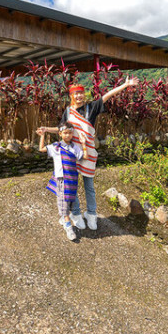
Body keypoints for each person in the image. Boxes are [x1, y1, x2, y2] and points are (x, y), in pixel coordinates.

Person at [39, 78, 138, 231]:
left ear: (83, 95)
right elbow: (61, 128)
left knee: (89, 186)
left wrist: (125, 85)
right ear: (72, 96)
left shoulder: (91, 108)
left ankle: (91, 215)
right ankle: (77, 214)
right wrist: (46, 129)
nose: (79, 96)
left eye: (81, 93)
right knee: (73, 185)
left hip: (88, 152)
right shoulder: (68, 112)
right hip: (72, 153)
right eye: (76, 94)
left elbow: (108, 95)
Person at [39, 124, 87, 241]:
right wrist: (42, 135)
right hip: (62, 179)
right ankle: (68, 226)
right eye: (65, 133)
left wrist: (84, 143)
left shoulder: (75, 147)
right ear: (60, 134)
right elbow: (41, 149)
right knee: (64, 203)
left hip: (72, 180)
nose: (68, 135)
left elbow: (84, 157)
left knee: (71, 201)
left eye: (70, 133)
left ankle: (65, 218)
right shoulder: (56, 147)